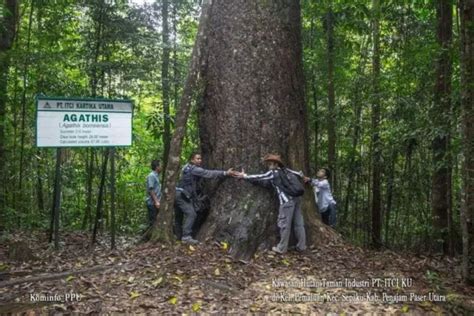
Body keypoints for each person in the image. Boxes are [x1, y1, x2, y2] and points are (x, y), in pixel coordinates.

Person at [235, 154, 306, 254]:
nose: (268, 165)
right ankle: (301, 246)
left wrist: (244, 176)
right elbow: (300, 174)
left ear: (275, 164)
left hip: (286, 201)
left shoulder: (273, 173)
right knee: (299, 224)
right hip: (297, 199)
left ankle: (281, 248)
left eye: (270, 163)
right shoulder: (287, 170)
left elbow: (260, 177)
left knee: (284, 225)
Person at [175, 152, 238, 244]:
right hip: (182, 195)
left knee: (178, 216)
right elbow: (208, 173)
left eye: (200, 159)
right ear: (192, 160)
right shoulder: (194, 169)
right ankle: (186, 237)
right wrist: (225, 173)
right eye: (197, 159)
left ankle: (178, 237)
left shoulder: (185, 167)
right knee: (191, 214)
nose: (200, 160)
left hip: (177, 192)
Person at [145, 159, 161, 229]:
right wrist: (156, 201)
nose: (162, 167)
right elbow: (151, 190)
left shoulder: (156, 176)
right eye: (161, 165)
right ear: (157, 167)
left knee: (157, 221)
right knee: (153, 222)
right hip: (152, 203)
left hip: (156, 203)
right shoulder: (151, 176)